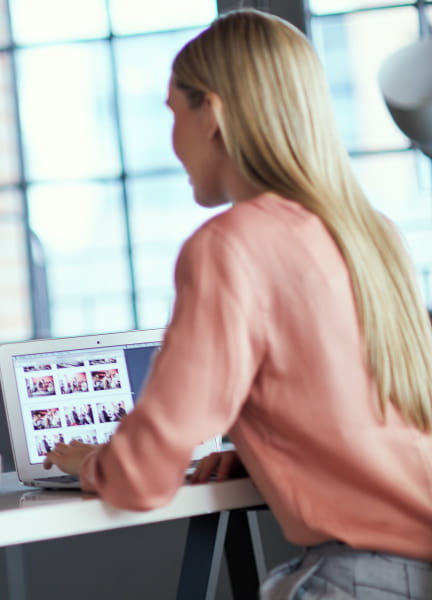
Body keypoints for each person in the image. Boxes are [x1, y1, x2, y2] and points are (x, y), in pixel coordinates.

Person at [44, 10, 432, 598]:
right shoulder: (372, 233)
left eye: (174, 115)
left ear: (214, 116)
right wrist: (259, 453)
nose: (171, 142)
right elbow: (375, 411)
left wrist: (88, 461)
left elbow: (143, 476)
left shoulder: (229, 247)